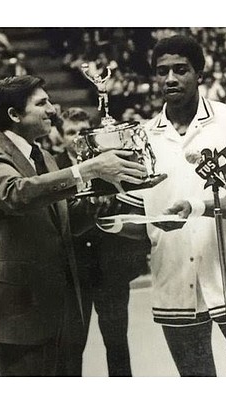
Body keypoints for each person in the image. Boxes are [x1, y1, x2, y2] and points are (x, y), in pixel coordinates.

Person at [103, 35, 226, 376]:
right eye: (162, 71)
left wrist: (195, 207)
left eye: (180, 70)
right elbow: (139, 213)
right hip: (174, 279)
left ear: (199, 73)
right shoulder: (142, 136)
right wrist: (111, 221)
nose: (170, 78)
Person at [0, 75, 154, 376]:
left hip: (64, 313)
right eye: (41, 103)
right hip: (21, 313)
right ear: (14, 115)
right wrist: (86, 169)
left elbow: (68, 222)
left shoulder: (43, 156)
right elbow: (16, 194)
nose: (52, 110)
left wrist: (102, 192)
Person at [54, 107, 149, 376]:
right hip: (72, 273)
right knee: (71, 348)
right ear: (59, 136)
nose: (76, 138)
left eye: (82, 133)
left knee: (117, 344)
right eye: (70, 132)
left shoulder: (111, 163)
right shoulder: (53, 167)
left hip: (110, 269)